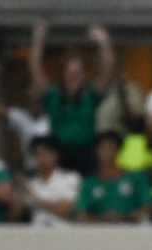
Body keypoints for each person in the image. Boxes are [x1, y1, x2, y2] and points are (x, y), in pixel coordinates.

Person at [29, 21, 116, 175]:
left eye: (79, 74)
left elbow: (107, 72)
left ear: (84, 77)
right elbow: (35, 69)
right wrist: (38, 38)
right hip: (60, 154)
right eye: (71, 74)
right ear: (63, 76)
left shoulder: (90, 96)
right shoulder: (53, 96)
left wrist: (104, 42)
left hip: (87, 154)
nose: (75, 77)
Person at [0, 59, 50, 173]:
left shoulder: (54, 116)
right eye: (32, 88)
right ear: (26, 93)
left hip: (54, 173)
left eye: (39, 88)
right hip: (31, 170)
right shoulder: (20, 116)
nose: (36, 92)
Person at [75, 131, 152, 222]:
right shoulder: (89, 183)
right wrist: (101, 219)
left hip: (131, 230)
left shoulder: (136, 177)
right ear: (96, 151)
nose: (108, 153)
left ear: (119, 150)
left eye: (112, 148)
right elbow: (80, 212)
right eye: (103, 148)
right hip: (98, 232)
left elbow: (149, 206)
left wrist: (125, 218)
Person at [17, 137, 81, 226]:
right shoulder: (30, 183)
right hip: (37, 232)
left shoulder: (70, 178)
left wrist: (34, 198)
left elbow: (65, 210)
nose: (41, 158)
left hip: (62, 231)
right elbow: (18, 212)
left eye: (44, 154)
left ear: (55, 155)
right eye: (37, 154)